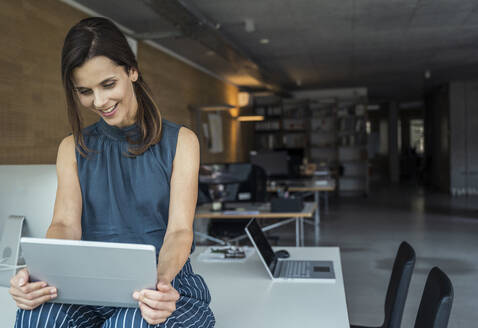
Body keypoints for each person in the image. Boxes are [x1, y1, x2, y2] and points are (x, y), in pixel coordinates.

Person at [8, 17, 215, 327]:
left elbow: (179, 232)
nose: (100, 102)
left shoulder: (182, 142)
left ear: (131, 70)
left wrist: (158, 284)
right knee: (36, 316)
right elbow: (65, 225)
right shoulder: (71, 148)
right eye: (85, 91)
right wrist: (39, 276)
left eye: (108, 84)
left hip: (164, 282)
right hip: (91, 285)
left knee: (129, 323)